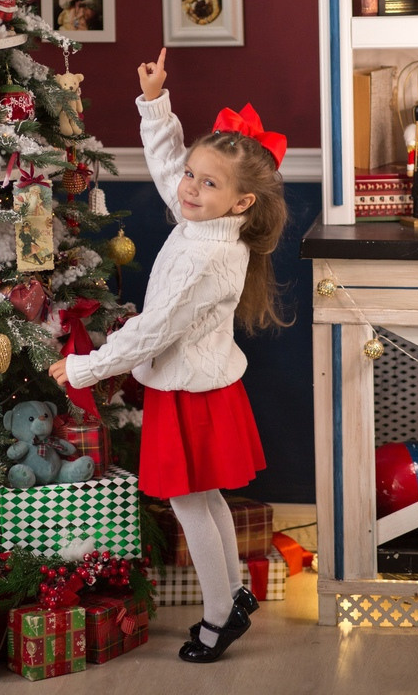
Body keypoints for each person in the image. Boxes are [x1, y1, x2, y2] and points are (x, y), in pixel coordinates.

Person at [49, 47, 289, 664]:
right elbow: (166, 171)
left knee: (191, 504)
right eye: (192, 174)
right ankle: (232, 596)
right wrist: (156, 105)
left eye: (207, 183)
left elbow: (152, 333)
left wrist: (83, 368)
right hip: (199, 386)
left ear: (241, 203)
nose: (188, 187)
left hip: (191, 393)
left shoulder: (208, 257)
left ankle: (218, 615)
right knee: (206, 498)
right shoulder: (203, 221)